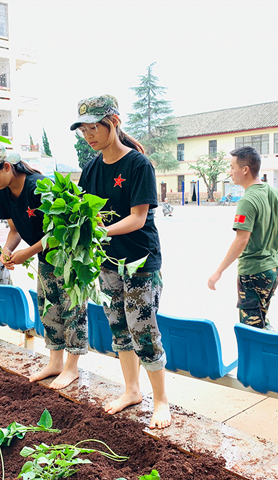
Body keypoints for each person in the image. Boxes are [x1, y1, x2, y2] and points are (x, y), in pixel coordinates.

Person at [73, 94, 170, 430]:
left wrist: (101, 232)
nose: (89, 135)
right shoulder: (90, 169)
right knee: (118, 325)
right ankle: (131, 390)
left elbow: (138, 218)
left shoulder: (138, 166)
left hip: (140, 260)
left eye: (94, 127)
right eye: (83, 130)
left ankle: (160, 400)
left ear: (113, 122)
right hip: (108, 261)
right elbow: (83, 213)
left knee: (143, 327)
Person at [0, 142, 88, 390]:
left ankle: (72, 367)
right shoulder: (2, 191)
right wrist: (8, 250)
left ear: (6, 166)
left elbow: (62, 230)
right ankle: (55, 362)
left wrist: (28, 252)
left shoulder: (39, 186)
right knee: (48, 308)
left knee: (72, 310)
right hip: (46, 258)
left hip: (69, 256)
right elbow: (14, 229)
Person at [207, 146, 278, 330]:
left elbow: (241, 240)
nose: (230, 172)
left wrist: (218, 272)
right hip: (273, 269)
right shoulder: (276, 193)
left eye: (232, 167)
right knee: (261, 319)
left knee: (251, 328)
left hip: (254, 272)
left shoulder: (248, 200)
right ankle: (270, 355)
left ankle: (263, 358)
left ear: (245, 170)